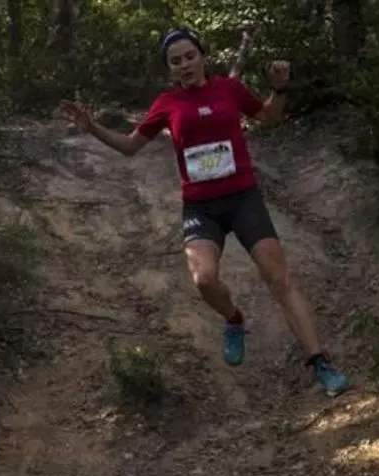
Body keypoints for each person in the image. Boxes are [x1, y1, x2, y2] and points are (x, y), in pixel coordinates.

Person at [57, 27, 351, 397]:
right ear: (169, 69)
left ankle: (321, 362)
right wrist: (92, 128)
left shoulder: (229, 89)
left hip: (243, 198)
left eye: (190, 56)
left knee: (278, 279)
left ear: (202, 57)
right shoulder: (167, 103)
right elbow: (131, 146)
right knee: (204, 279)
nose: (184, 64)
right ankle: (234, 319)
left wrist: (279, 90)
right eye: (175, 61)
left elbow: (268, 116)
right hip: (201, 206)